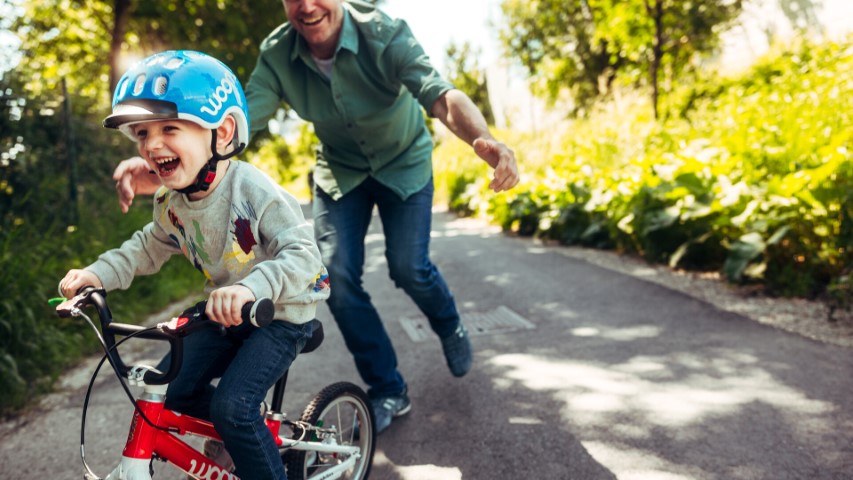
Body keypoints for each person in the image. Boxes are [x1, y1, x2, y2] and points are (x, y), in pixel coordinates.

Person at [112, 0, 519, 434]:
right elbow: (236, 122)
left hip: (405, 164)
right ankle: (388, 388)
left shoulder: (384, 33)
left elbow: (440, 95)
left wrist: (484, 139)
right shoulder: (277, 53)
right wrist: (171, 161)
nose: (306, 5)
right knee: (338, 279)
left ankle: (449, 323)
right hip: (341, 174)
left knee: (409, 267)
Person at [59, 50, 330, 480]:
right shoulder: (171, 202)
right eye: (143, 133)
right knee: (173, 391)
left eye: (169, 128)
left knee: (232, 407)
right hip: (226, 313)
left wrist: (250, 288)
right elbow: (146, 247)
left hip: (280, 314)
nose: (151, 144)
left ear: (221, 133)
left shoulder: (252, 189)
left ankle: (243, 430)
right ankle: (239, 432)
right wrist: (97, 274)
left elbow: (305, 257)